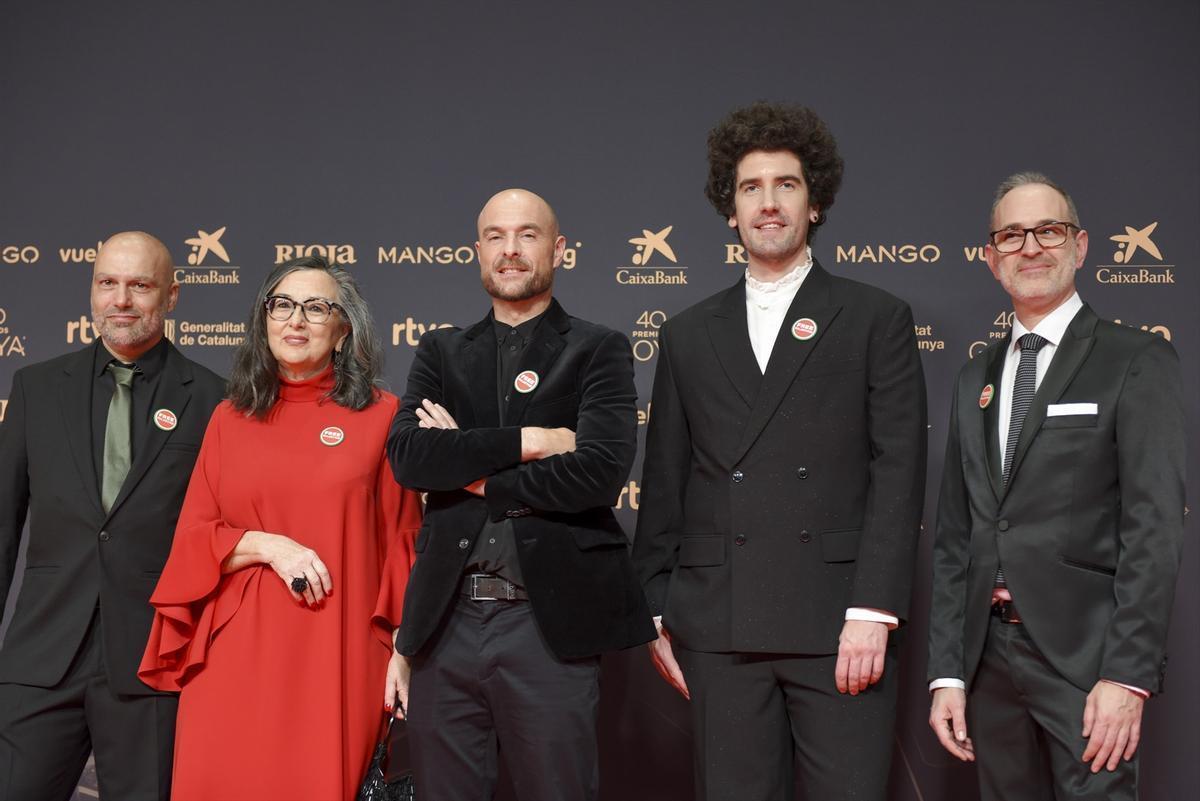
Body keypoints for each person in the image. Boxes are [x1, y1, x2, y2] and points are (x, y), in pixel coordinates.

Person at [632, 102, 927, 801]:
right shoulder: (686, 332)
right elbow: (667, 476)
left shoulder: (875, 317)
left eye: (786, 184)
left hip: (838, 625)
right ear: (729, 209)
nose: (769, 203)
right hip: (719, 622)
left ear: (815, 200)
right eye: (751, 187)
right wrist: (653, 608)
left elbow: (898, 471)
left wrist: (873, 611)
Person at [386, 188, 655, 801]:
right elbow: (410, 458)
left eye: (528, 235)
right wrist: (534, 439)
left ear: (558, 249)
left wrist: (471, 467)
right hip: (444, 626)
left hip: (548, 624)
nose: (511, 250)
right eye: (496, 237)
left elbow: (596, 473)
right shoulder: (441, 351)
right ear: (477, 250)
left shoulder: (598, 348)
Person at [926, 173, 1184, 801]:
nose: (1031, 247)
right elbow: (956, 536)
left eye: (1049, 230)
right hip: (987, 659)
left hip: (1087, 661)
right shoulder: (973, 377)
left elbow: (1154, 527)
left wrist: (1128, 674)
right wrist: (947, 675)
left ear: (1080, 245)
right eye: (1012, 235)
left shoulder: (1135, 360)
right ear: (991, 258)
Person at [138, 255, 421, 801]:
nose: (296, 320)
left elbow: (404, 544)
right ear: (264, 320)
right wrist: (268, 546)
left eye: (316, 308)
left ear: (343, 330)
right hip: (233, 658)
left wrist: (404, 656)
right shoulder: (229, 418)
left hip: (337, 655)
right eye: (283, 306)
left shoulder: (383, 416)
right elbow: (194, 539)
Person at [0, 231, 225, 800]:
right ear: (92, 290)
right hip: (42, 655)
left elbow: (221, 536)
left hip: (152, 663)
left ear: (171, 296)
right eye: (108, 283)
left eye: (139, 285)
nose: (121, 300)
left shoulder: (215, 400)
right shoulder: (36, 388)